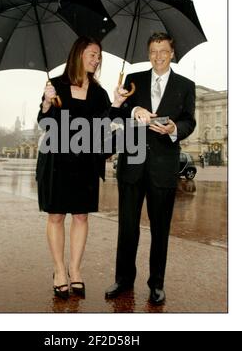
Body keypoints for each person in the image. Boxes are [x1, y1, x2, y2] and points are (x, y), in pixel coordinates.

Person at [105, 32, 196, 305]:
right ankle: (123, 280)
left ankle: (156, 284)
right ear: (148, 53)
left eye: (163, 51)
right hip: (132, 165)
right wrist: (133, 110)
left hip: (163, 166)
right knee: (128, 227)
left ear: (172, 54)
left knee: (160, 229)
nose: (158, 56)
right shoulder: (132, 81)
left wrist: (173, 129)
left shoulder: (186, 85)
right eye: (153, 51)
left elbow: (189, 121)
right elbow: (117, 114)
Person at [36, 36, 127, 299]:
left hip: (85, 163)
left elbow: (104, 128)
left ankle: (74, 270)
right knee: (55, 217)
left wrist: (117, 104)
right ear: (78, 54)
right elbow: (44, 123)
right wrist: (46, 102)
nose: (96, 60)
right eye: (92, 54)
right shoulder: (55, 85)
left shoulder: (98, 92)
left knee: (81, 217)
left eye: (99, 56)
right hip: (56, 162)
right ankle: (58, 271)